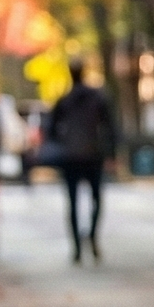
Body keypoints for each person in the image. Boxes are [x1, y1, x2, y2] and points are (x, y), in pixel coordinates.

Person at [45, 60, 116, 262]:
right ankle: (91, 236)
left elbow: (51, 129)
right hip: (93, 155)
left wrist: (62, 141)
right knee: (96, 199)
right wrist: (111, 153)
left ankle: (77, 246)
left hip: (70, 157)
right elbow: (110, 127)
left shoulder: (64, 100)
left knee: (73, 203)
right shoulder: (98, 97)